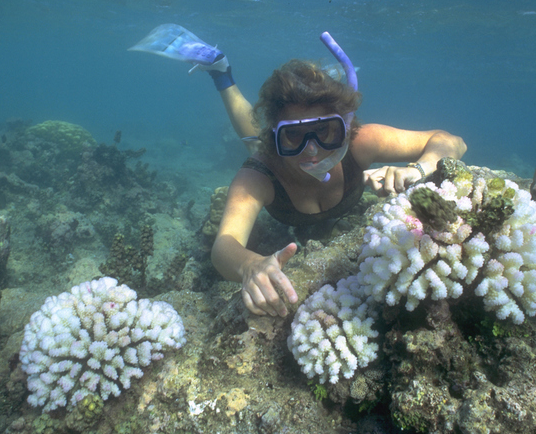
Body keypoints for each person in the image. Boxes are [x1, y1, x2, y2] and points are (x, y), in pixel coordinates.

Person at [130, 26, 467, 318]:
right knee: (251, 138)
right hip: (268, 155)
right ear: (276, 139)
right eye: (292, 135)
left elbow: (451, 142)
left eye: (326, 132)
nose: (312, 150)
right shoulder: (259, 175)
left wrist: (419, 168)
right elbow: (224, 247)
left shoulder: (364, 142)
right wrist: (249, 265)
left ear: (346, 128)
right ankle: (221, 72)